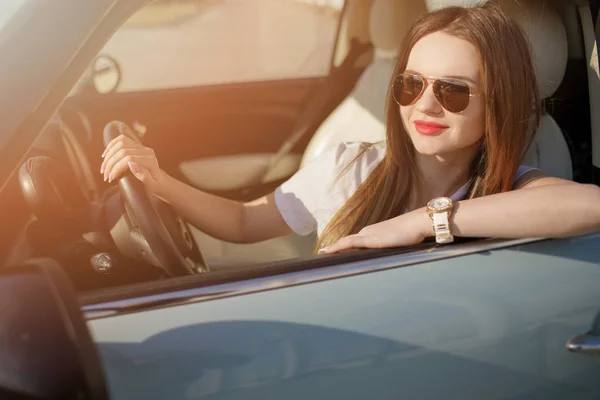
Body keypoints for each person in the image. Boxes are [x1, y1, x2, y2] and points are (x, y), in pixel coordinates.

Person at [99, 1, 600, 255]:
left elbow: (590, 205)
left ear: (498, 106)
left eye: (453, 91)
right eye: (410, 84)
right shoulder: (351, 164)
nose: (424, 104)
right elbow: (244, 223)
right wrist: (159, 184)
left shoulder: (512, 186)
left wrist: (425, 221)